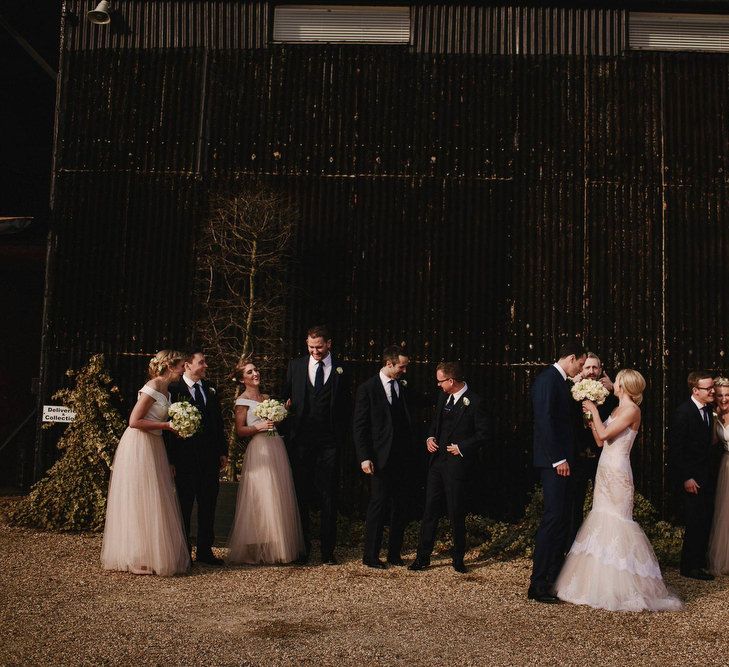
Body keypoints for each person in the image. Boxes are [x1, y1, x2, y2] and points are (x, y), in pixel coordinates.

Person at [555, 369, 682, 611]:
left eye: (617, 381)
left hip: (618, 471)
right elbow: (600, 440)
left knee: (618, 520)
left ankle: (623, 586)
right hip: (605, 467)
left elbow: (605, 434)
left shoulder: (632, 410)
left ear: (624, 386)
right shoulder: (615, 410)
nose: (612, 384)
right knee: (600, 516)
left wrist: (592, 409)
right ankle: (595, 584)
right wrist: (591, 419)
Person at [101, 350, 190, 576]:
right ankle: (136, 555)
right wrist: (167, 426)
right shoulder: (153, 385)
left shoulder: (168, 391)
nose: (183, 370)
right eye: (181, 366)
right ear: (171, 366)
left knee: (154, 496)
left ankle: (149, 553)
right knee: (140, 496)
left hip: (155, 445)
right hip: (139, 444)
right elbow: (134, 421)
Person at [408, 361, 488, 573]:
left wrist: (462, 446)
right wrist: (430, 436)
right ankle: (422, 557)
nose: (438, 385)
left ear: (451, 381)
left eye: (440, 381)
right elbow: (436, 423)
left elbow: (484, 434)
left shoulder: (476, 402)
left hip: (457, 466)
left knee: (456, 511)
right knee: (430, 510)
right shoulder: (444, 396)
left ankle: (458, 558)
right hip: (437, 463)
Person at [283, 325, 351, 564]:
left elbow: (347, 407)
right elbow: (286, 399)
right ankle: (302, 549)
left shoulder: (343, 368)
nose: (315, 351)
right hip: (301, 442)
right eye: (311, 347)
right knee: (300, 494)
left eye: (319, 346)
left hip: (329, 443)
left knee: (328, 495)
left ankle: (327, 551)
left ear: (329, 343)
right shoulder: (296, 366)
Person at [227, 360, 305, 564]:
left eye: (256, 370)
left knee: (277, 493)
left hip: (276, 446)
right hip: (259, 448)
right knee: (261, 494)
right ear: (242, 378)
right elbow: (240, 430)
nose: (255, 374)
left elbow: (274, 423)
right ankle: (255, 548)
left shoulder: (267, 398)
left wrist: (282, 413)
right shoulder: (242, 401)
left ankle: (277, 547)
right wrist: (258, 427)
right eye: (250, 372)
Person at [528, 341, 586, 603]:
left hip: (565, 461)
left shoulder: (562, 382)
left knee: (562, 518)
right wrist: (558, 459)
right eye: (581, 364)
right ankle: (537, 584)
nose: (581, 369)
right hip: (555, 463)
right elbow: (544, 422)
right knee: (552, 519)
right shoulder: (547, 380)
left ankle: (552, 577)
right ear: (572, 358)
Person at [353, 346, 414, 569]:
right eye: (402, 366)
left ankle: (394, 554)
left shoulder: (402, 386)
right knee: (378, 505)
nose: (404, 370)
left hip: (402, 457)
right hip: (379, 458)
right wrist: (364, 457)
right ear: (389, 364)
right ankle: (370, 555)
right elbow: (359, 427)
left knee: (400, 506)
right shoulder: (367, 389)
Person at [166, 350, 228, 566]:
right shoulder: (173, 389)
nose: (205, 366)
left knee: (208, 504)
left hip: (209, 458)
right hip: (184, 458)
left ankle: (205, 550)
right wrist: (170, 459)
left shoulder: (209, 388)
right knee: (184, 504)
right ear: (187, 366)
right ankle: (183, 552)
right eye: (201, 362)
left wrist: (223, 451)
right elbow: (168, 426)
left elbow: (218, 422)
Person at [566, 352, 618, 546]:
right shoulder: (572, 390)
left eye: (595, 367)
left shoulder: (611, 395)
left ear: (601, 368)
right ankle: (572, 547)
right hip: (577, 455)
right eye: (587, 367)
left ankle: (600, 547)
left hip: (602, 455)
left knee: (603, 504)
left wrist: (613, 390)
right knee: (574, 505)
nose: (591, 371)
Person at [670, 371, 717, 580]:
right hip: (692, 477)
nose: (712, 391)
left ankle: (698, 562)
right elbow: (676, 450)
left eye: (712, 387)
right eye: (708, 388)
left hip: (706, 475)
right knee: (694, 520)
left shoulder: (708, 410)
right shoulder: (684, 413)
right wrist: (686, 477)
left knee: (703, 518)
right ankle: (689, 566)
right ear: (695, 391)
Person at [708, 377, 729, 575]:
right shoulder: (714, 415)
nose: (723, 399)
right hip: (726, 464)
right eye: (720, 395)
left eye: (727, 395)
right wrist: (715, 418)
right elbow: (714, 441)